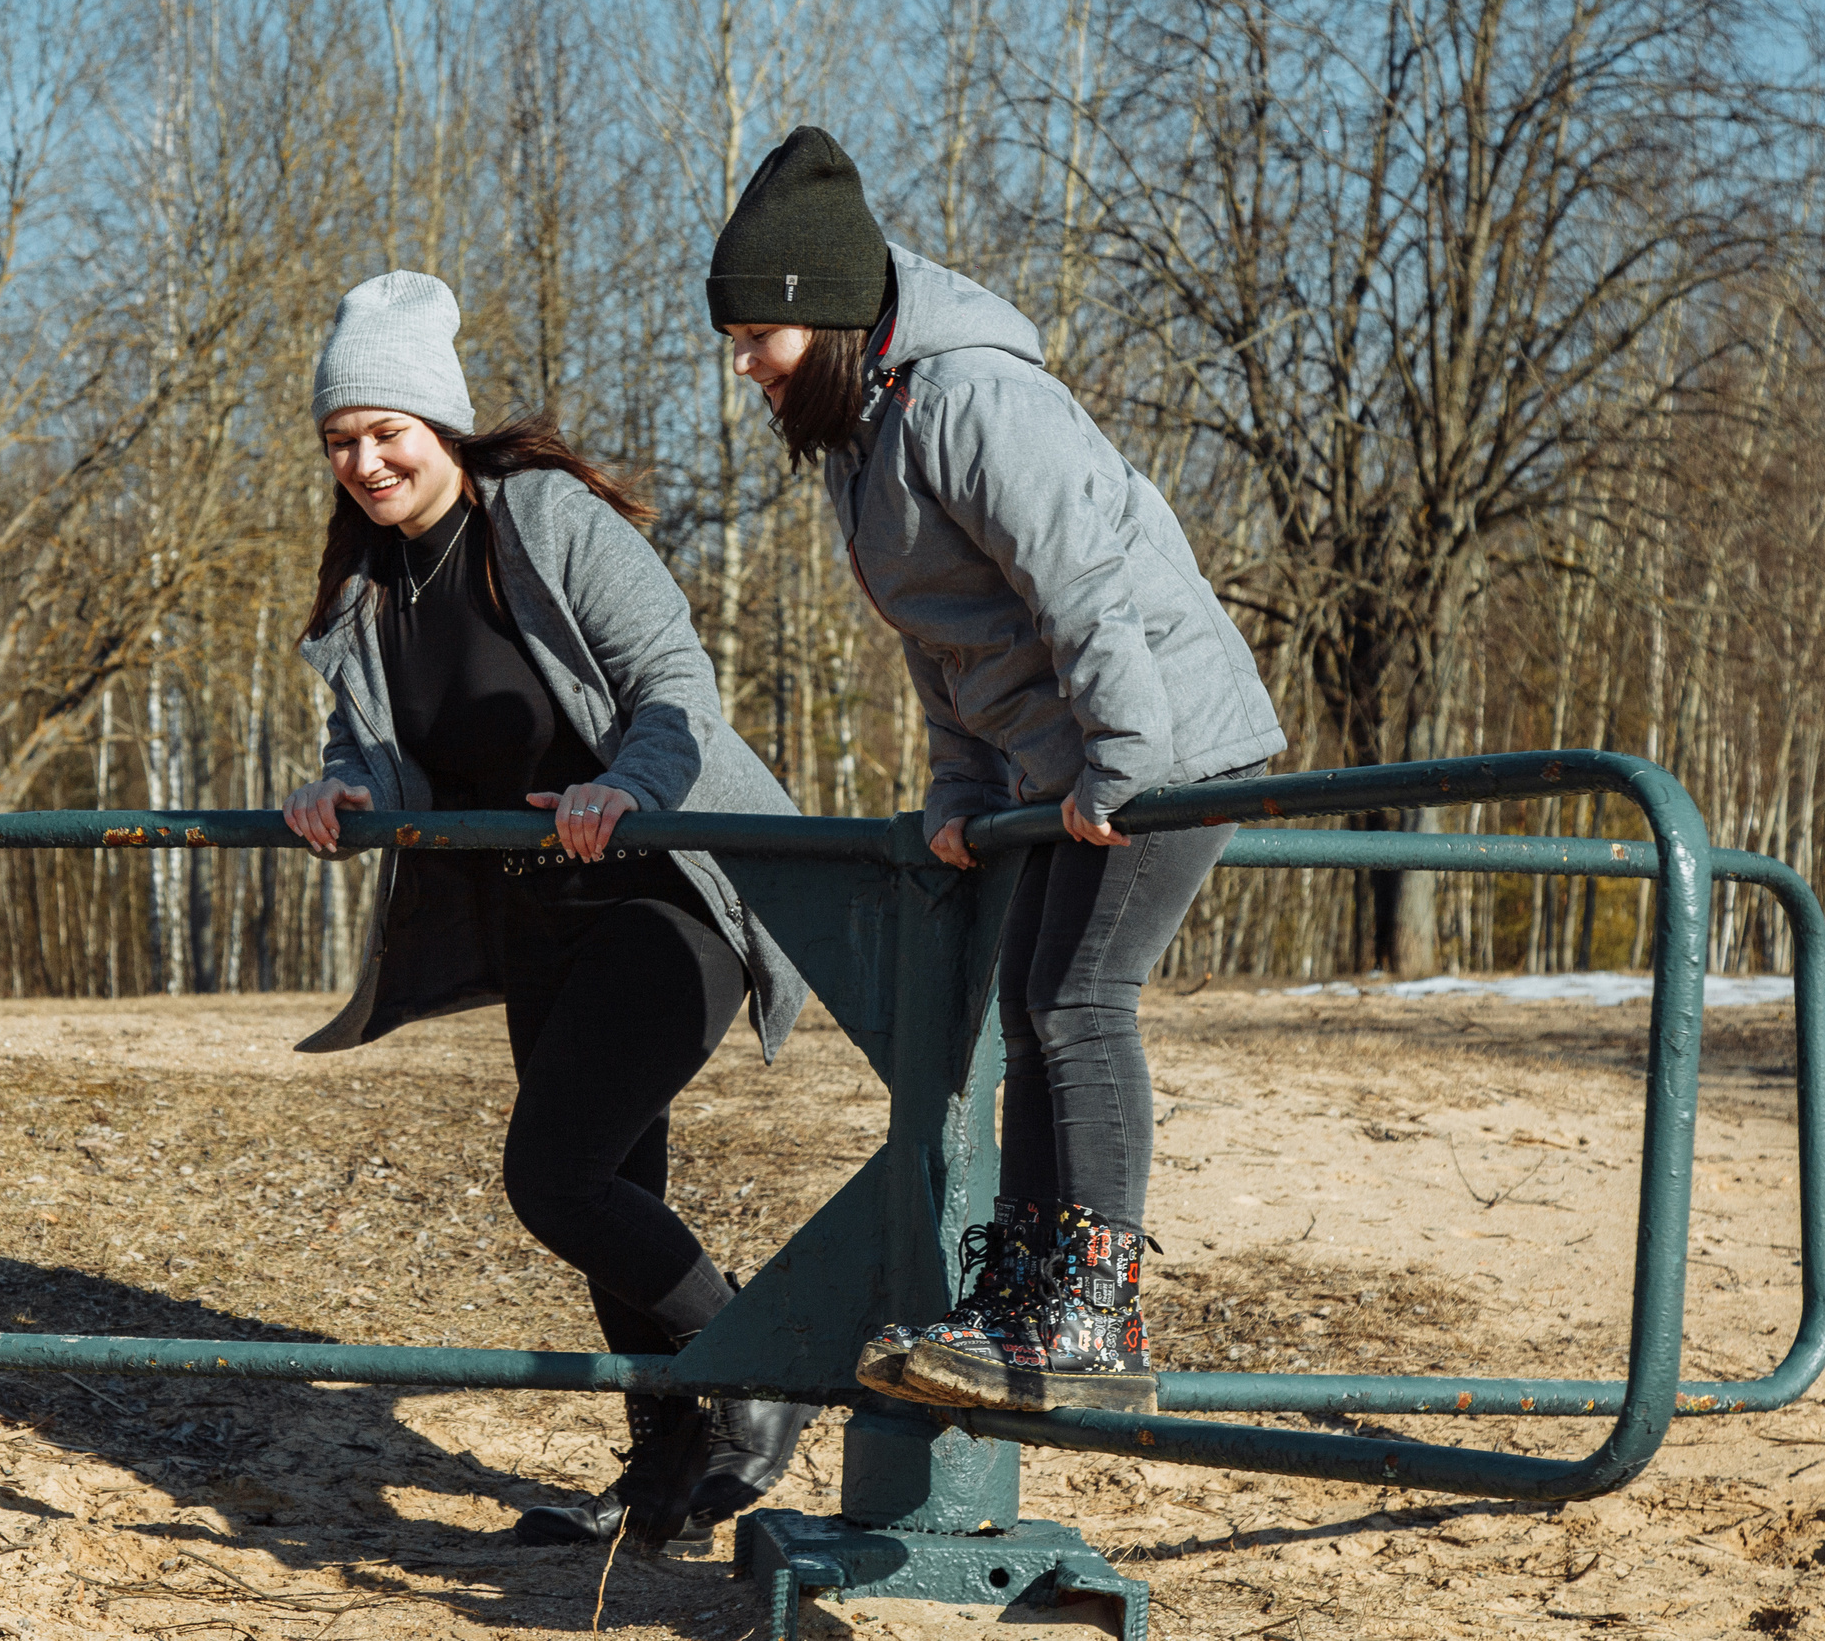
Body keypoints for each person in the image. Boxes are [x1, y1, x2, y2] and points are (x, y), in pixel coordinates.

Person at [707, 128, 1287, 1414]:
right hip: (1056, 766)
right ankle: (1029, 1304)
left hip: (1165, 741)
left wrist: (1127, 761)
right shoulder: (864, 438)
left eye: (757, 337)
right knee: (1033, 1014)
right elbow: (946, 638)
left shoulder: (974, 401)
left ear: (830, 317)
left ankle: (1092, 1318)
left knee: (1078, 1002)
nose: (741, 365)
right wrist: (960, 788)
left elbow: (1080, 586)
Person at [284, 271, 818, 1549]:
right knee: (613, 1193)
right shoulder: (366, 591)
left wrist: (619, 787)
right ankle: (664, 1481)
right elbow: (372, 745)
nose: (364, 463)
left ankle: (753, 1365)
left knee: (556, 1174)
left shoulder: (545, 522)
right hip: (539, 920)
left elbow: (672, 689)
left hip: (666, 895)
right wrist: (339, 789)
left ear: (442, 428)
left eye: (386, 433)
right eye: (340, 442)